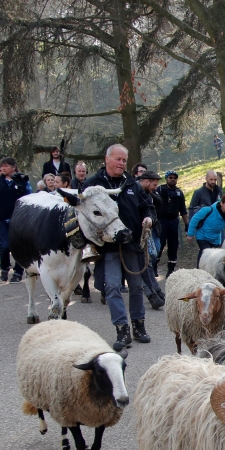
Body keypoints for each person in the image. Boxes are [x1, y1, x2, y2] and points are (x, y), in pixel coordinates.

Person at [84, 144, 156, 351]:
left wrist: (149, 218)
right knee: (113, 287)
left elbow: (148, 205)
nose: (122, 163)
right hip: (108, 248)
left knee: (135, 286)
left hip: (132, 245)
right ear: (107, 159)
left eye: (124, 160)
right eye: (118, 159)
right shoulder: (92, 186)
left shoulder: (132, 184)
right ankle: (122, 329)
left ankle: (139, 326)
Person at [0, 157, 31, 282]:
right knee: (5, 246)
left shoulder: (23, 180)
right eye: (2, 166)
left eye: (6, 166)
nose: (3, 168)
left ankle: (18, 272)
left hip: (19, 219)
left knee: (19, 246)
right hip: (2, 219)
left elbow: (29, 199)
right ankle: (4, 268)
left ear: (14, 167)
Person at [137, 170, 166, 309]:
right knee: (142, 264)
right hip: (130, 233)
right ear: (146, 181)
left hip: (144, 232)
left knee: (147, 260)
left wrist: (151, 220)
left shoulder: (147, 194)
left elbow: (153, 208)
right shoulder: (132, 191)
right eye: (154, 185)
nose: (156, 188)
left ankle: (155, 291)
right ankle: (153, 294)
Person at [187, 194, 225, 265]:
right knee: (205, 253)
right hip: (202, 236)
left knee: (215, 258)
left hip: (215, 239)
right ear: (221, 203)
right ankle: (200, 271)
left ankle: (212, 274)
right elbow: (194, 220)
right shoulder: (208, 210)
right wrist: (190, 234)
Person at [156, 170, 189, 276]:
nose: (173, 179)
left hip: (174, 221)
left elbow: (183, 210)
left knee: (173, 246)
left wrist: (187, 224)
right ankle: (154, 266)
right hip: (161, 220)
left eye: (175, 178)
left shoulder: (179, 193)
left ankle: (170, 270)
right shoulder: (159, 189)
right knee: (160, 244)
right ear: (166, 178)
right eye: (171, 177)